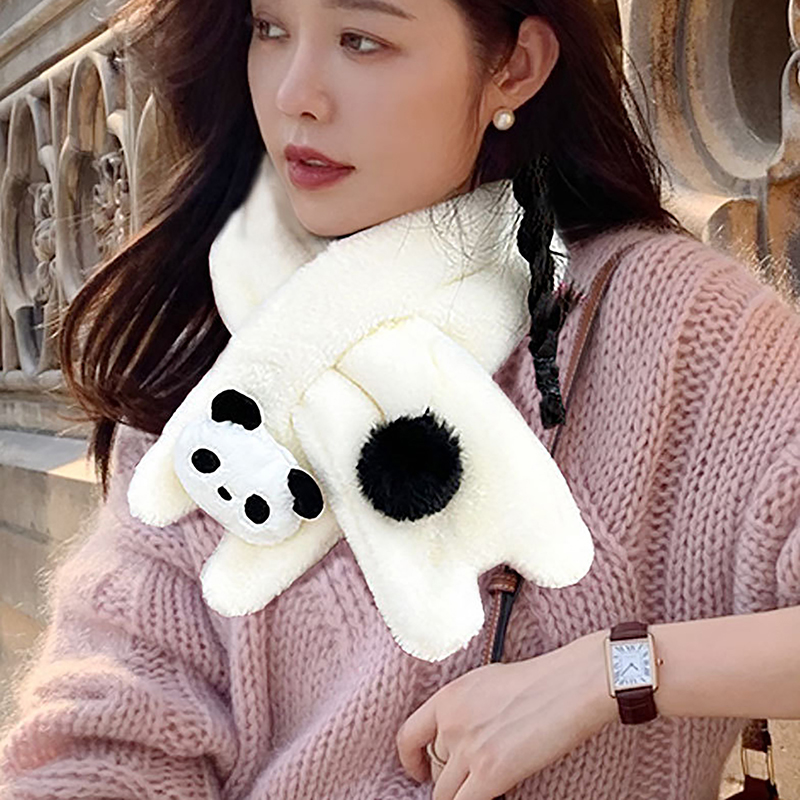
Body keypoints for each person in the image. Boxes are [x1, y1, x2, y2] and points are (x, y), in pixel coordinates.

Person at [1, 0, 798, 798]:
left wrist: (614, 673)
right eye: (270, 30)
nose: (295, 94)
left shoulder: (670, 328)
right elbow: (108, 727)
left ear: (514, 67)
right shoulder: (228, 344)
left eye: (362, 40)